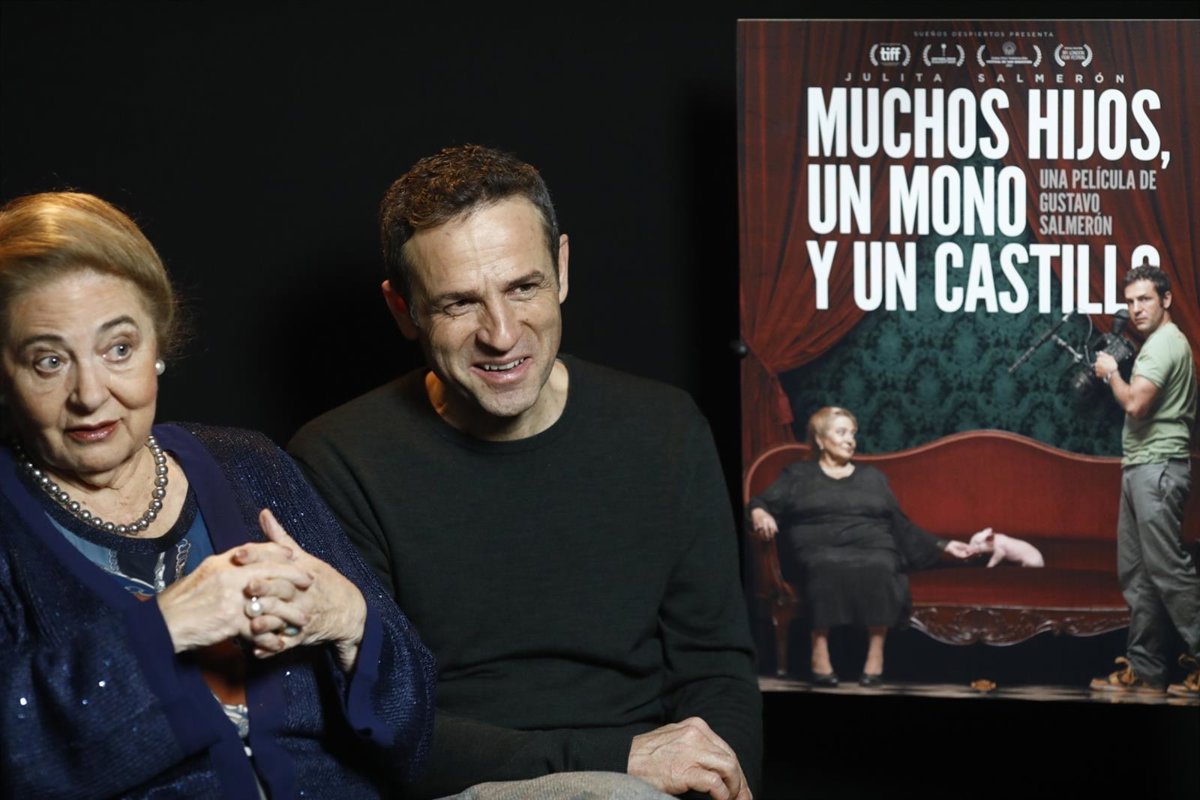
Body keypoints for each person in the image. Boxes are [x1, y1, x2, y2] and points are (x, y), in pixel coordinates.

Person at [287, 143, 762, 800]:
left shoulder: (665, 428)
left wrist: (719, 780)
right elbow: (374, 719)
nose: (503, 334)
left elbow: (717, 669)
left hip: (657, 784)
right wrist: (616, 761)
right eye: (459, 303)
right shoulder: (339, 460)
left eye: (523, 287)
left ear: (561, 269)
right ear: (403, 309)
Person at [0, 192, 437, 798]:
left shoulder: (248, 463)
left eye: (119, 348)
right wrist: (166, 628)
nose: (91, 394)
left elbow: (416, 736)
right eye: (49, 361)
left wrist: (348, 619)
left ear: (157, 346)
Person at [747, 406, 978, 687]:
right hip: (818, 546)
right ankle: (819, 648)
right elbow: (760, 501)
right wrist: (760, 513)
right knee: (825, 565)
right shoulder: (798, 474)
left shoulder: (872, 477)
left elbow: (899, 523)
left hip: (872, 543)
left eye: (853, 433)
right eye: (841, 432)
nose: (850, 440)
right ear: (820, 439)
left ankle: (875, 653)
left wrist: (944, 544)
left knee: (881, 564)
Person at [1089, 265, 1199, 698]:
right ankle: (1147, 669)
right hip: (1140, 466)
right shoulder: (1158, 344)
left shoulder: (1165, 344)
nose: (1136, 309)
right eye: (1130, 301)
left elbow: (1136, 404)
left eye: (1145, 299)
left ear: (1166, 300)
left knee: (1168, 570)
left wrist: (1111, 372)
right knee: (1138, 574)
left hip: (1158, 469)